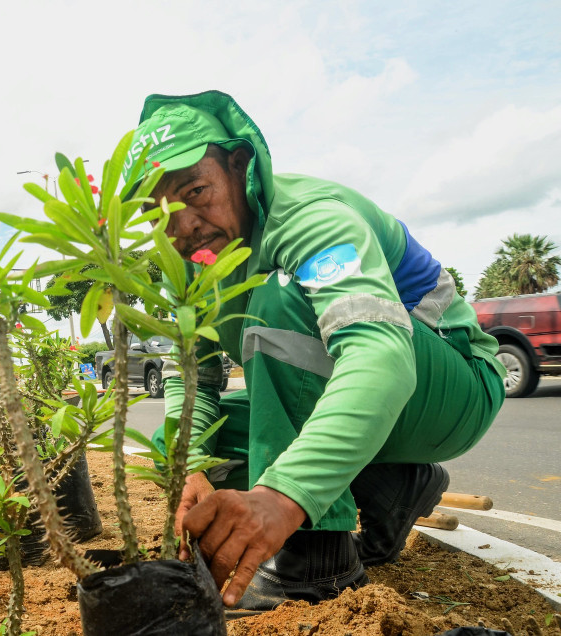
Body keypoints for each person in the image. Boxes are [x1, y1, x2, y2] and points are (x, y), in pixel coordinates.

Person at [124, 91, 505, 612]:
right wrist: (188, 466)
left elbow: (380, 356)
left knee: (277, 298)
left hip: (453, 384)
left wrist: (283, 497)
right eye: (155, 213)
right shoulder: (190, 266)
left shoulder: (308, 218)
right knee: (198, 442)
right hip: (389, 415)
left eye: (195, 191)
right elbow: (190, 383)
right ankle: (389, 486)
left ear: (240, 166)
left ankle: (317, 560)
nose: (181, 225)